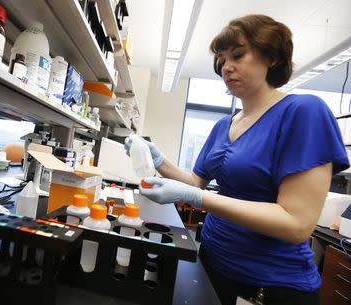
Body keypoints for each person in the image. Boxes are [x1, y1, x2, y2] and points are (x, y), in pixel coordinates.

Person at [124, 14, 349, 305]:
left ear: (271, 56)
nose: (226, 67)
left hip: (267, 287)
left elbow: (297, 224)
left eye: (238, 55)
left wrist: (198, 198)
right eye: (221, 59)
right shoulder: (223, 125)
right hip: (211, 263)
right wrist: (159, 160)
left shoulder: (303, 112)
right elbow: (195, 181)